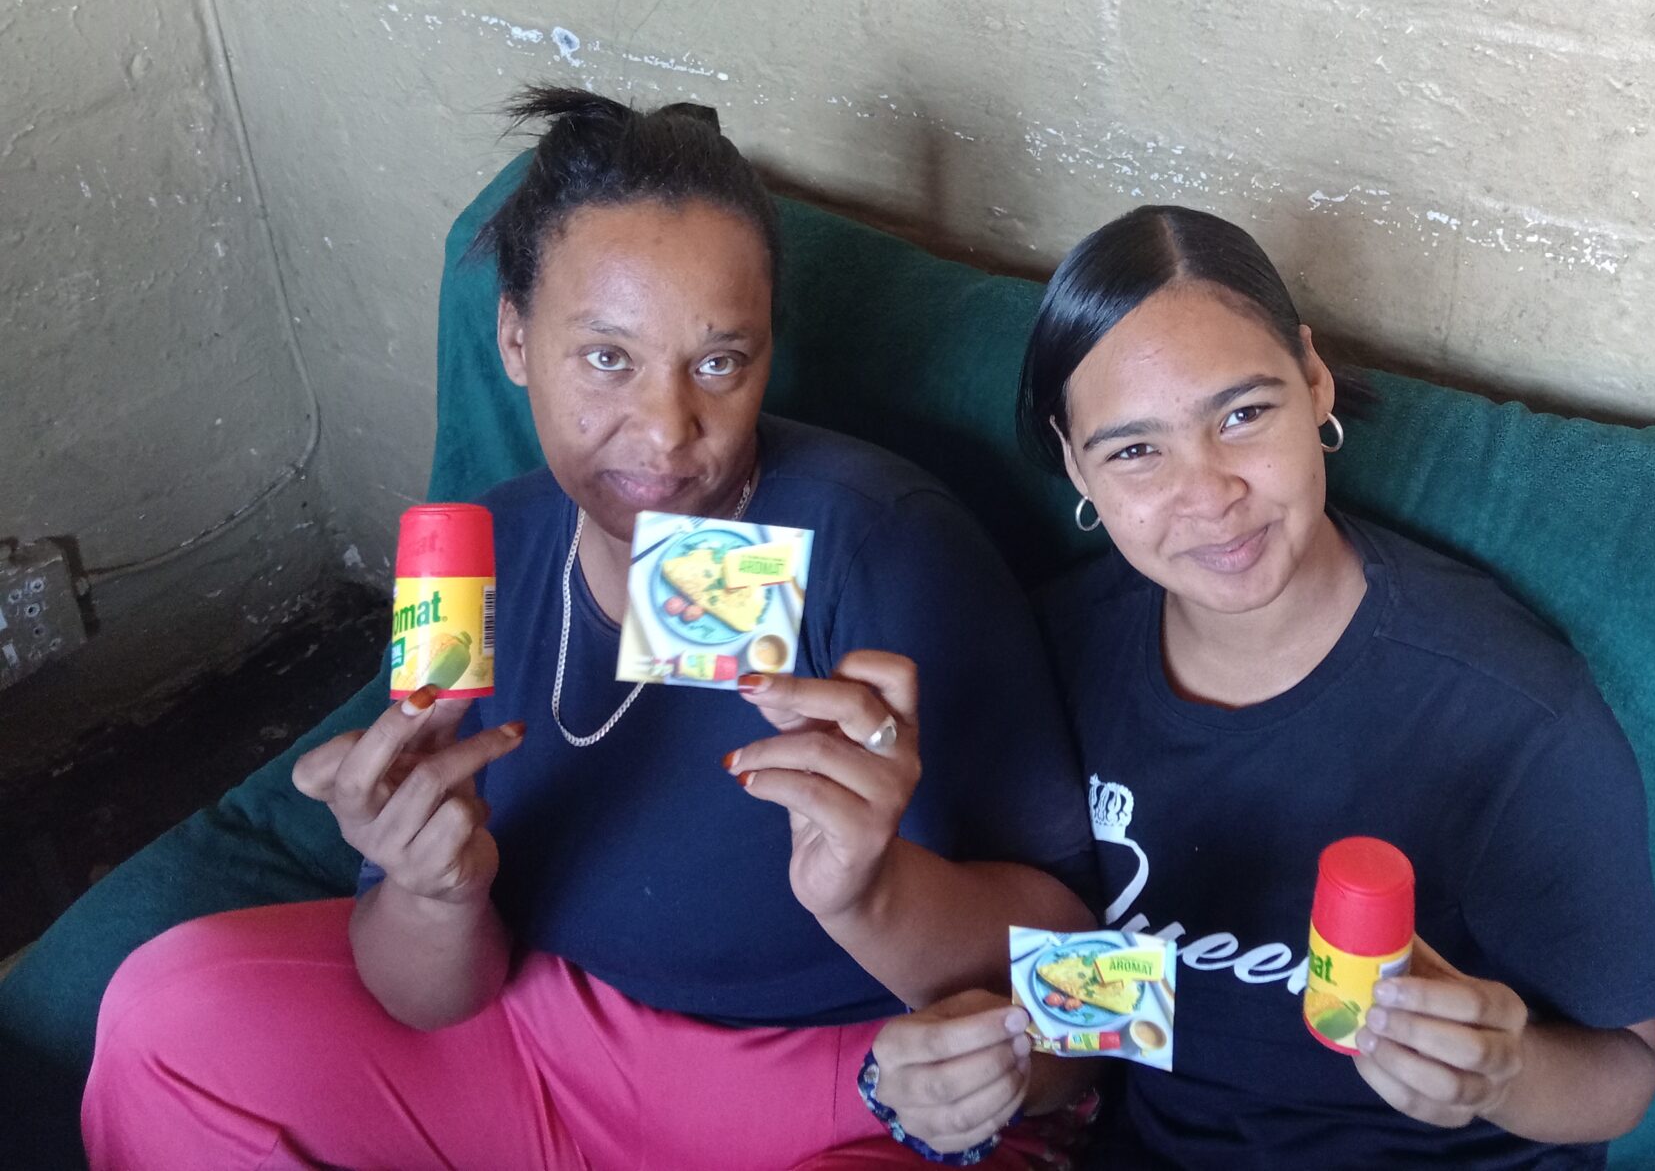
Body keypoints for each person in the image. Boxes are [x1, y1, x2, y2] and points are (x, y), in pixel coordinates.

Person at [81, 89, 1098, 1171]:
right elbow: (430, 999)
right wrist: (433, 891)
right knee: (167, 1023)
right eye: (607, 358)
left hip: (850, 1085)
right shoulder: (485, 558)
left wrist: (875, 894)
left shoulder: (881, 546)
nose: (666, 433)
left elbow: (1091, 991)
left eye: (720, 362)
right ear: (515, 339)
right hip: (543, 1049)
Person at [865, 205, 1655, 1169]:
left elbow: (1625, 1073)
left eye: (1243, 415)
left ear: (1314, 379)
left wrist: (1503, 1074)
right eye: (1135, 450)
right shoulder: (1057, 655)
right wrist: (972, 1075)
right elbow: (1090, 1018)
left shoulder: (1506, 710)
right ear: (1075, 459)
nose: (1209, 494)